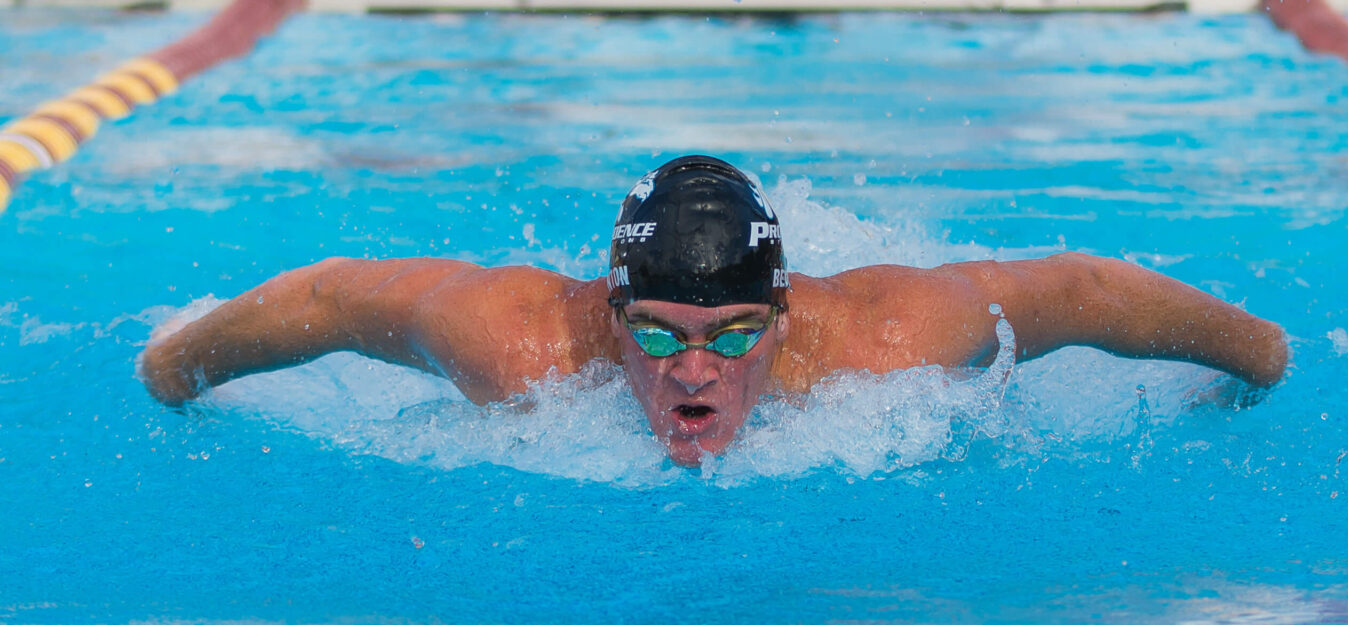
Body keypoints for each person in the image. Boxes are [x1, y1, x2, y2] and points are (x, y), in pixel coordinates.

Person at [139, 155, 1288, 466]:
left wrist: (1256, 359)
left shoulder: (886, 343)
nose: (696, 373)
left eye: (734, 334)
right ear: (607, 311)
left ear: (784, 319)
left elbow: (1080, 290)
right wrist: (174, 370)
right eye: (660, 336)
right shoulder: (518, 340)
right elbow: (338, 295)